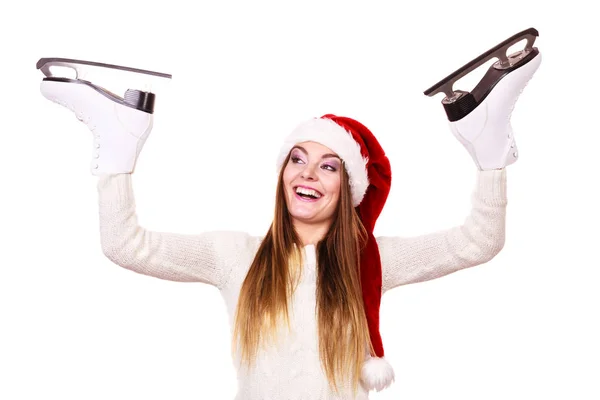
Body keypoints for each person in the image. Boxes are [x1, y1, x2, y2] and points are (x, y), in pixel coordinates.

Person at [39, 50, 541, 399]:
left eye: (328, 166)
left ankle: (483, 127)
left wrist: (491, 162)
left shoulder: (372, 262)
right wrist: (117, 159)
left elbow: (480, 241)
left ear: (349, 189)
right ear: (281, 174)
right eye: (297, 159)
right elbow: (126, 245)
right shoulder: (234, 255)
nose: (306, 173)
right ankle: (121, 125)